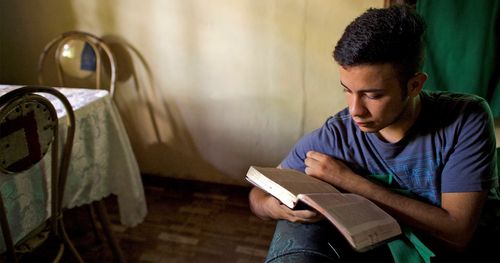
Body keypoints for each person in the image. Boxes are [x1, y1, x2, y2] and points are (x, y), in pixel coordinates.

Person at [249, 4, 499, 262]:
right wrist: (273, 208)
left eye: (372, 95)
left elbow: (457, 231)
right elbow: (258, 194)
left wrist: (351, 182)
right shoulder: (336, 135)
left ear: (414, 85)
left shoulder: (465, 118)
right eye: (347, 90)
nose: (355, 110)